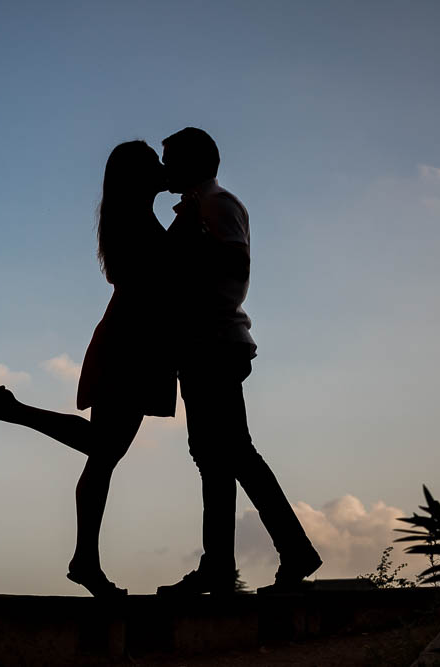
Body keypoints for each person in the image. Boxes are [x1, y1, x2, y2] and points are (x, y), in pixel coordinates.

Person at [0, 140, 177, 598]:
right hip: (132, 343)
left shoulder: (132, 218)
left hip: (134, 341)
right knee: (103, 449)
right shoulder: (138, 222)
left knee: (103, 453)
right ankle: (9, 409)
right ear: (138, 176)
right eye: (153, 162)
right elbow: (160, 278)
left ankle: (85, 560)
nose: (161, 167)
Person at [157, 128, 322, 595]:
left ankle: (286, 553)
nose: (165, 170)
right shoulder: (201, 206)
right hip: (202, 344)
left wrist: (187, 246)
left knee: (231, 453)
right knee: (216, 456)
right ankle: (228, 564)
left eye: (171, 161)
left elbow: (234, 265)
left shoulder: (217, 204)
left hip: (214, 342)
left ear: (193, 163)